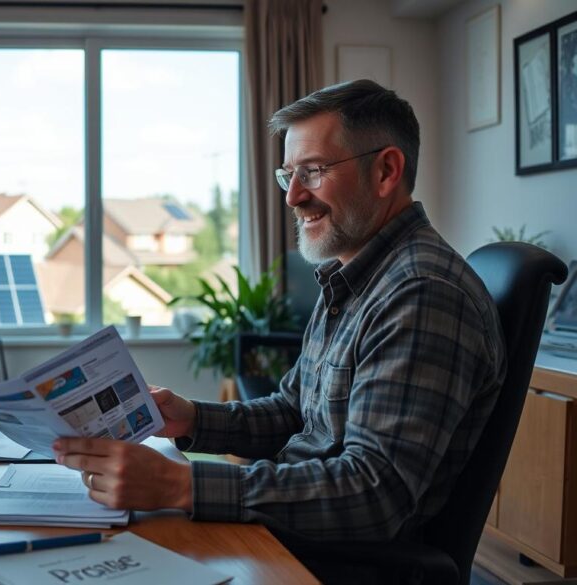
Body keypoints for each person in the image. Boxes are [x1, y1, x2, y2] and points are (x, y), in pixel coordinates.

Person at [53, 80, 507, 547]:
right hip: (295, 536)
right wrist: (189, 418)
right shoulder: (356, 277)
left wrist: (178, 485)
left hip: (337, 563)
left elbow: (374, 494)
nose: (292, 197)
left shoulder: (420, 294)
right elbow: (295, 412)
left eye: (313, 170)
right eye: (288, 174)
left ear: (386, 170)